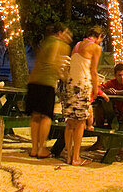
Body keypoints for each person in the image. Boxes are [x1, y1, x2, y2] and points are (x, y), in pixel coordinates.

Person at [25, 24, 72, 158]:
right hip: (47, 82)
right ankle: (42, 149)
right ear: (60, 33)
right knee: (46, 116)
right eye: (67, 33)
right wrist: (63, 76)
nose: (69, 37)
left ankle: (34, 148)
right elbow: (53, 62)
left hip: (33, 81)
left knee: (35, 115)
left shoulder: (45, 42)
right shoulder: (61, 44)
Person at [62, 26, 104, 165]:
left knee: (70, 122)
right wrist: (96, 88)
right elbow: (93, 70)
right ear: (99, 37)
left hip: (70, 84)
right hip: (82, 85)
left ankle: (68, 155)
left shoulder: (77, 45)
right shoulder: (95, 48)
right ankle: (76, 157)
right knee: (80, 123)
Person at [93, 61, 123, 130]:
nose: (122, 77)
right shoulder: (112, 82)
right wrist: (106, 91)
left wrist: (116, 92)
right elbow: (98, 88)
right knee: (99, 108)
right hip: (116, 112)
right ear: (115, 75)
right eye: (119, 75)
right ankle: (100, 134)